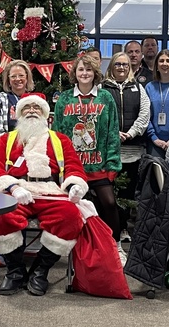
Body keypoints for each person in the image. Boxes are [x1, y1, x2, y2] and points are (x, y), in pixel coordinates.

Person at [0, 93, 89, 296]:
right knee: (0, 215)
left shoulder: (60, 140)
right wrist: (13, 188)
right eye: (27, 107)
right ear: (18, 113)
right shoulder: (6, 140)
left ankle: (40, 271)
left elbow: (74, 168)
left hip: (51, 192)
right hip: (16, 192)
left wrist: (74, 186)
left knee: (70, 216)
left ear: (45, 114)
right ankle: (15, 272)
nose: (32, 111)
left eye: (36, 108)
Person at [52, 54, 122, 247]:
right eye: (81, 69)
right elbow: (57, 134)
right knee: (73, 209)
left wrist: (112, 163)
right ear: (75, 72)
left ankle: (114, 245)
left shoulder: (105, 97)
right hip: (73, 168)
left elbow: (112, 132)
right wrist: (60, 166)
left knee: (108, 203)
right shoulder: (65, 98)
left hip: (98, 164)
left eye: (89, 69)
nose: (85, 73)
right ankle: (77, 249)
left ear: (95, 73)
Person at [101, 52, 151, 226]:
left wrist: (131, 133)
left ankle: (122, 228)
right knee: (109, 195)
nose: (121, 68)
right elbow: (99, 116)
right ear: (111, 67)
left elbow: (145, 113)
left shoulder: (138, 88)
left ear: (130, 68)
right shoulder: (102, 88)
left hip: (133, 151)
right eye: (117, 64)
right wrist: (113, 134)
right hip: (109, 152)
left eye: (125, 65)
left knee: (128, 194)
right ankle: (109, 229)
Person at [145, 48, 169, 158]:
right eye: (161, 61)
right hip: (155, 141)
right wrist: (154, 138)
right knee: (155, 172)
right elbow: (145, 115)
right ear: (156, 65)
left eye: (168, 61)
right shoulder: (150, 87)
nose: (165, 64)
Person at [0, 59, 34, 142]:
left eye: (21, 75)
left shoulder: (35, 100)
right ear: (8, 80)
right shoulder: (0, 100)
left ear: (27, 78)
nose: (17, 79)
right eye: (13, 76)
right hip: (7, 148)